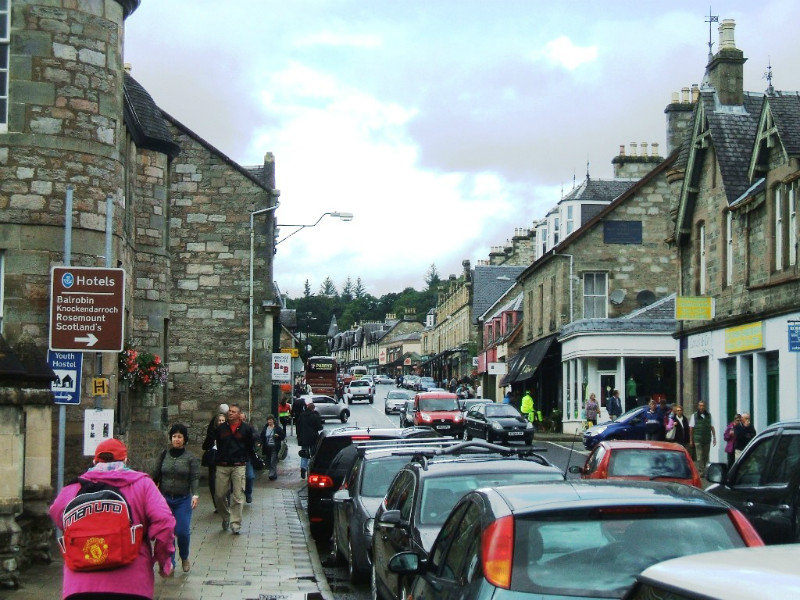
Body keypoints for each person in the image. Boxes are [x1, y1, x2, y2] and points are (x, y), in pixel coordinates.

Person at [49, 438, 176, 599]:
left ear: (95, 461)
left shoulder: (74, 488)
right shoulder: (143, 485)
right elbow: (165, 521)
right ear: (125, 460)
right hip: (131, 585)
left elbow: (56, 513)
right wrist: (163, 560)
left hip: (80, 586)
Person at [153, 423, 199, 573]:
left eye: (179, 437)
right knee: (168, 531)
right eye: (174, 436)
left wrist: (195, 494)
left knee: (182, 531)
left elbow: (194, 477)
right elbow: (156, 474)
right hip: (165, 499)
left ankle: (184, 556)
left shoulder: (190, 458)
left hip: (183, 499)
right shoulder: (164, 454)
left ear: (184, 439)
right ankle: (170, 562)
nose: (176, 439)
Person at [213, 403, 256, 535]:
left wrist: (244, 457)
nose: (230, 413)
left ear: (239, 414)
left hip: (239, 465)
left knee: (237, 496)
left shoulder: (246, 429)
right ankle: (226, 516)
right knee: (219, 495)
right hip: (223, 465)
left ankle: (235, 523)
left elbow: (250, 445)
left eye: (233, 411)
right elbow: (218, 444)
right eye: (229, 411)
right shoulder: (221, 429)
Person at [202, 411, 227, 512]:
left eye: (223, 420)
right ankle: (217, 505)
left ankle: (225, 503)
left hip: (225, 462)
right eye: (219, 420)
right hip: (213, 461)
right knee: (213, 484)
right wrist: (212, 442)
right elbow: (204, 446)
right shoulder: (211, 433)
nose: (221, 422)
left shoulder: (228, 432)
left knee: (225, 485)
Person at [689, 400, 716, 477]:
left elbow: (712, 427)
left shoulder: (709, 416)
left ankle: (703, 469)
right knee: (699, 456)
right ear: (698, 406)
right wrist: (691, 440)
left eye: (703, 406)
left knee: (706, 456)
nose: (701, 407)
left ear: (705, 407)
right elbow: (691, 428)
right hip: (698, 439)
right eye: (700, 406)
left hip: (707, 439)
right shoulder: (694, 416)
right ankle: (701, 471)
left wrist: (714, 438)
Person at [297, 400, 323, 479]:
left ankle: (303, 468)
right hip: (313, 438)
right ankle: (311, 469)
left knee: (304, 453)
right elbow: (319, 427)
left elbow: (298, 426)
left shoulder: (301, 415)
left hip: (303, 438)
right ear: (313, 409)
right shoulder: (315, 416)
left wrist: (299, 436)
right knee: (313, 454)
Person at [260, 414, 286, 480]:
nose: (269, 421)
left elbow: (283, 436)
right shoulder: (265, 428)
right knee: (269, 461)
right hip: (267, 447)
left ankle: (271, 474)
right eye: (268, 420)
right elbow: (262, 436)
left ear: (273, 420)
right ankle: (274, 475)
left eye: (270, 420)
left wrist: (278, 436)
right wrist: (260, 443)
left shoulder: (277, 428)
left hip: (275, 446)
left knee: (273, 461)